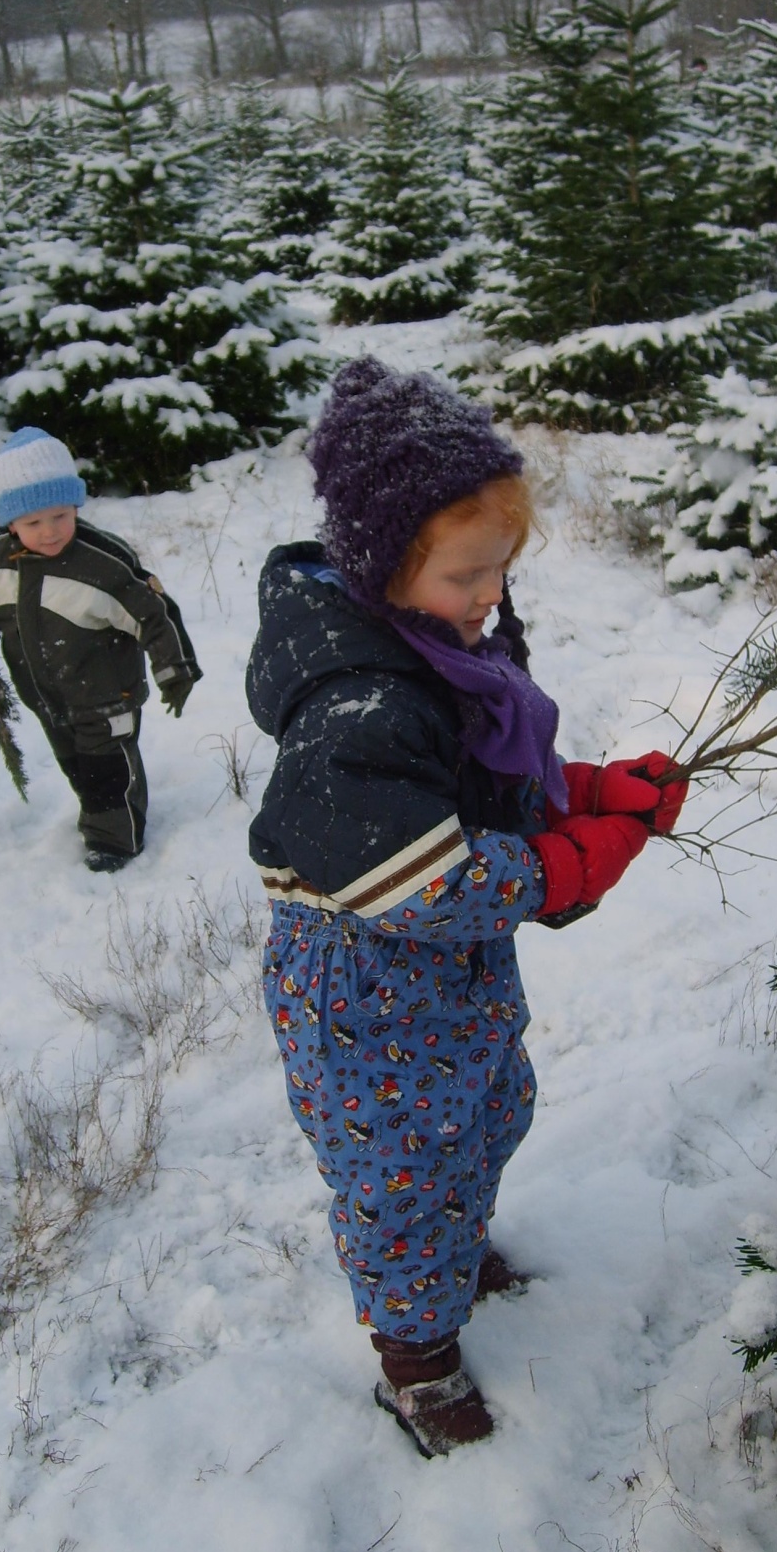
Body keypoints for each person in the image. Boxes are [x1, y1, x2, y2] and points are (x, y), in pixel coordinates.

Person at [245, 358, 686, 1457]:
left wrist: (587, 793)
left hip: (447, 976)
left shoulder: (442, 653)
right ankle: (414, 1354)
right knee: (403, 1169)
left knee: (484, 1111)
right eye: (466, 575)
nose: (489, 595)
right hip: (367, 990)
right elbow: (423, 876)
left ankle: (455, 1239)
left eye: (501, 570)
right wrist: (565, 865)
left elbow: (479, 788)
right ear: (384, 563)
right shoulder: (360, 705)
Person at [0, 427, 201, 872]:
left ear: (76, 508)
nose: (49, 532)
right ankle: (97, 809)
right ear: (9, 522)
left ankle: (116, 840)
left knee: (107, 768)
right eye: (33, 523)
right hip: (44, 695)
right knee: (76, 765)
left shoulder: (101, 563)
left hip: (108, 693)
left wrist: (174, 670)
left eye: (61, 516)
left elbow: (154, 614)